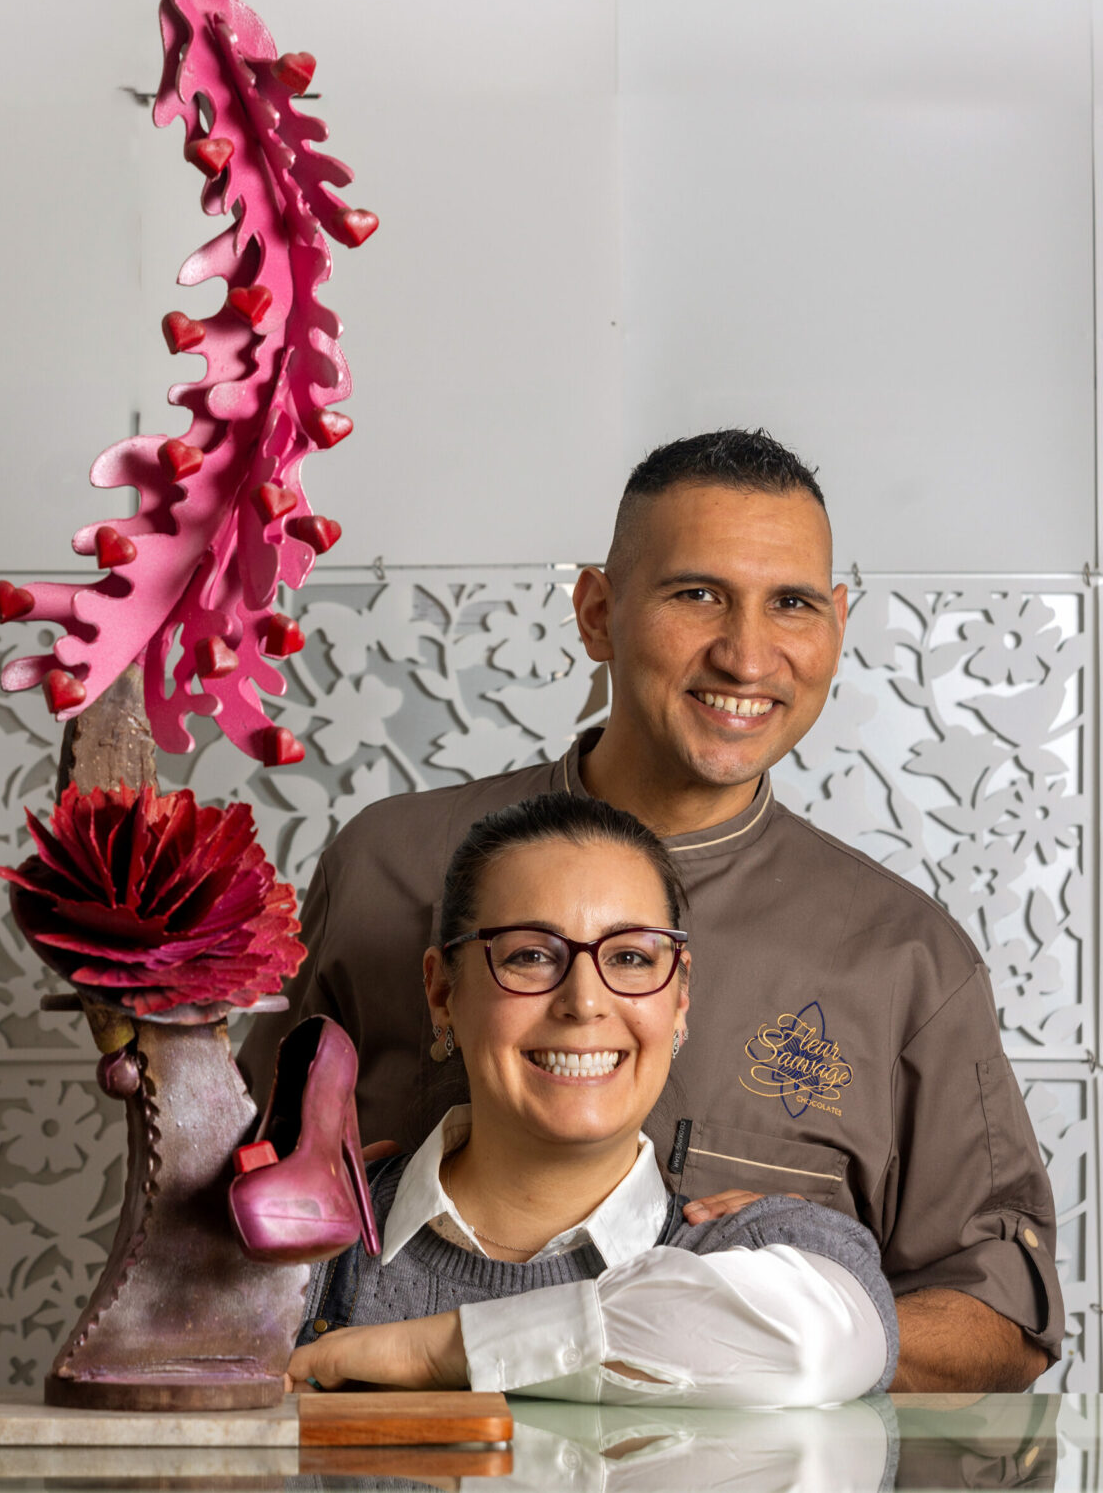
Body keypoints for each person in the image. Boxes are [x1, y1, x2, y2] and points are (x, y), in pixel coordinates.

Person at [243, 428, 1062, 1392]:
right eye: (696, 594)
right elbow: (229, 1201)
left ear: (837, 626)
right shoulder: (389, 867)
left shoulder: (902, 958)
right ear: (597, 611)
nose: (746, 654)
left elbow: (1001, 1325)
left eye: (792, 603)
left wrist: (760, 1318)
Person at [285, 793, 896, 1405]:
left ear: (679, 1001)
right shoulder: (299, 1244)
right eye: (529, 955)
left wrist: (440, 1352)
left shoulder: (770, 1247)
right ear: (443, 991)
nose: (584, 1001)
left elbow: (820, 1349)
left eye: (630, 957)